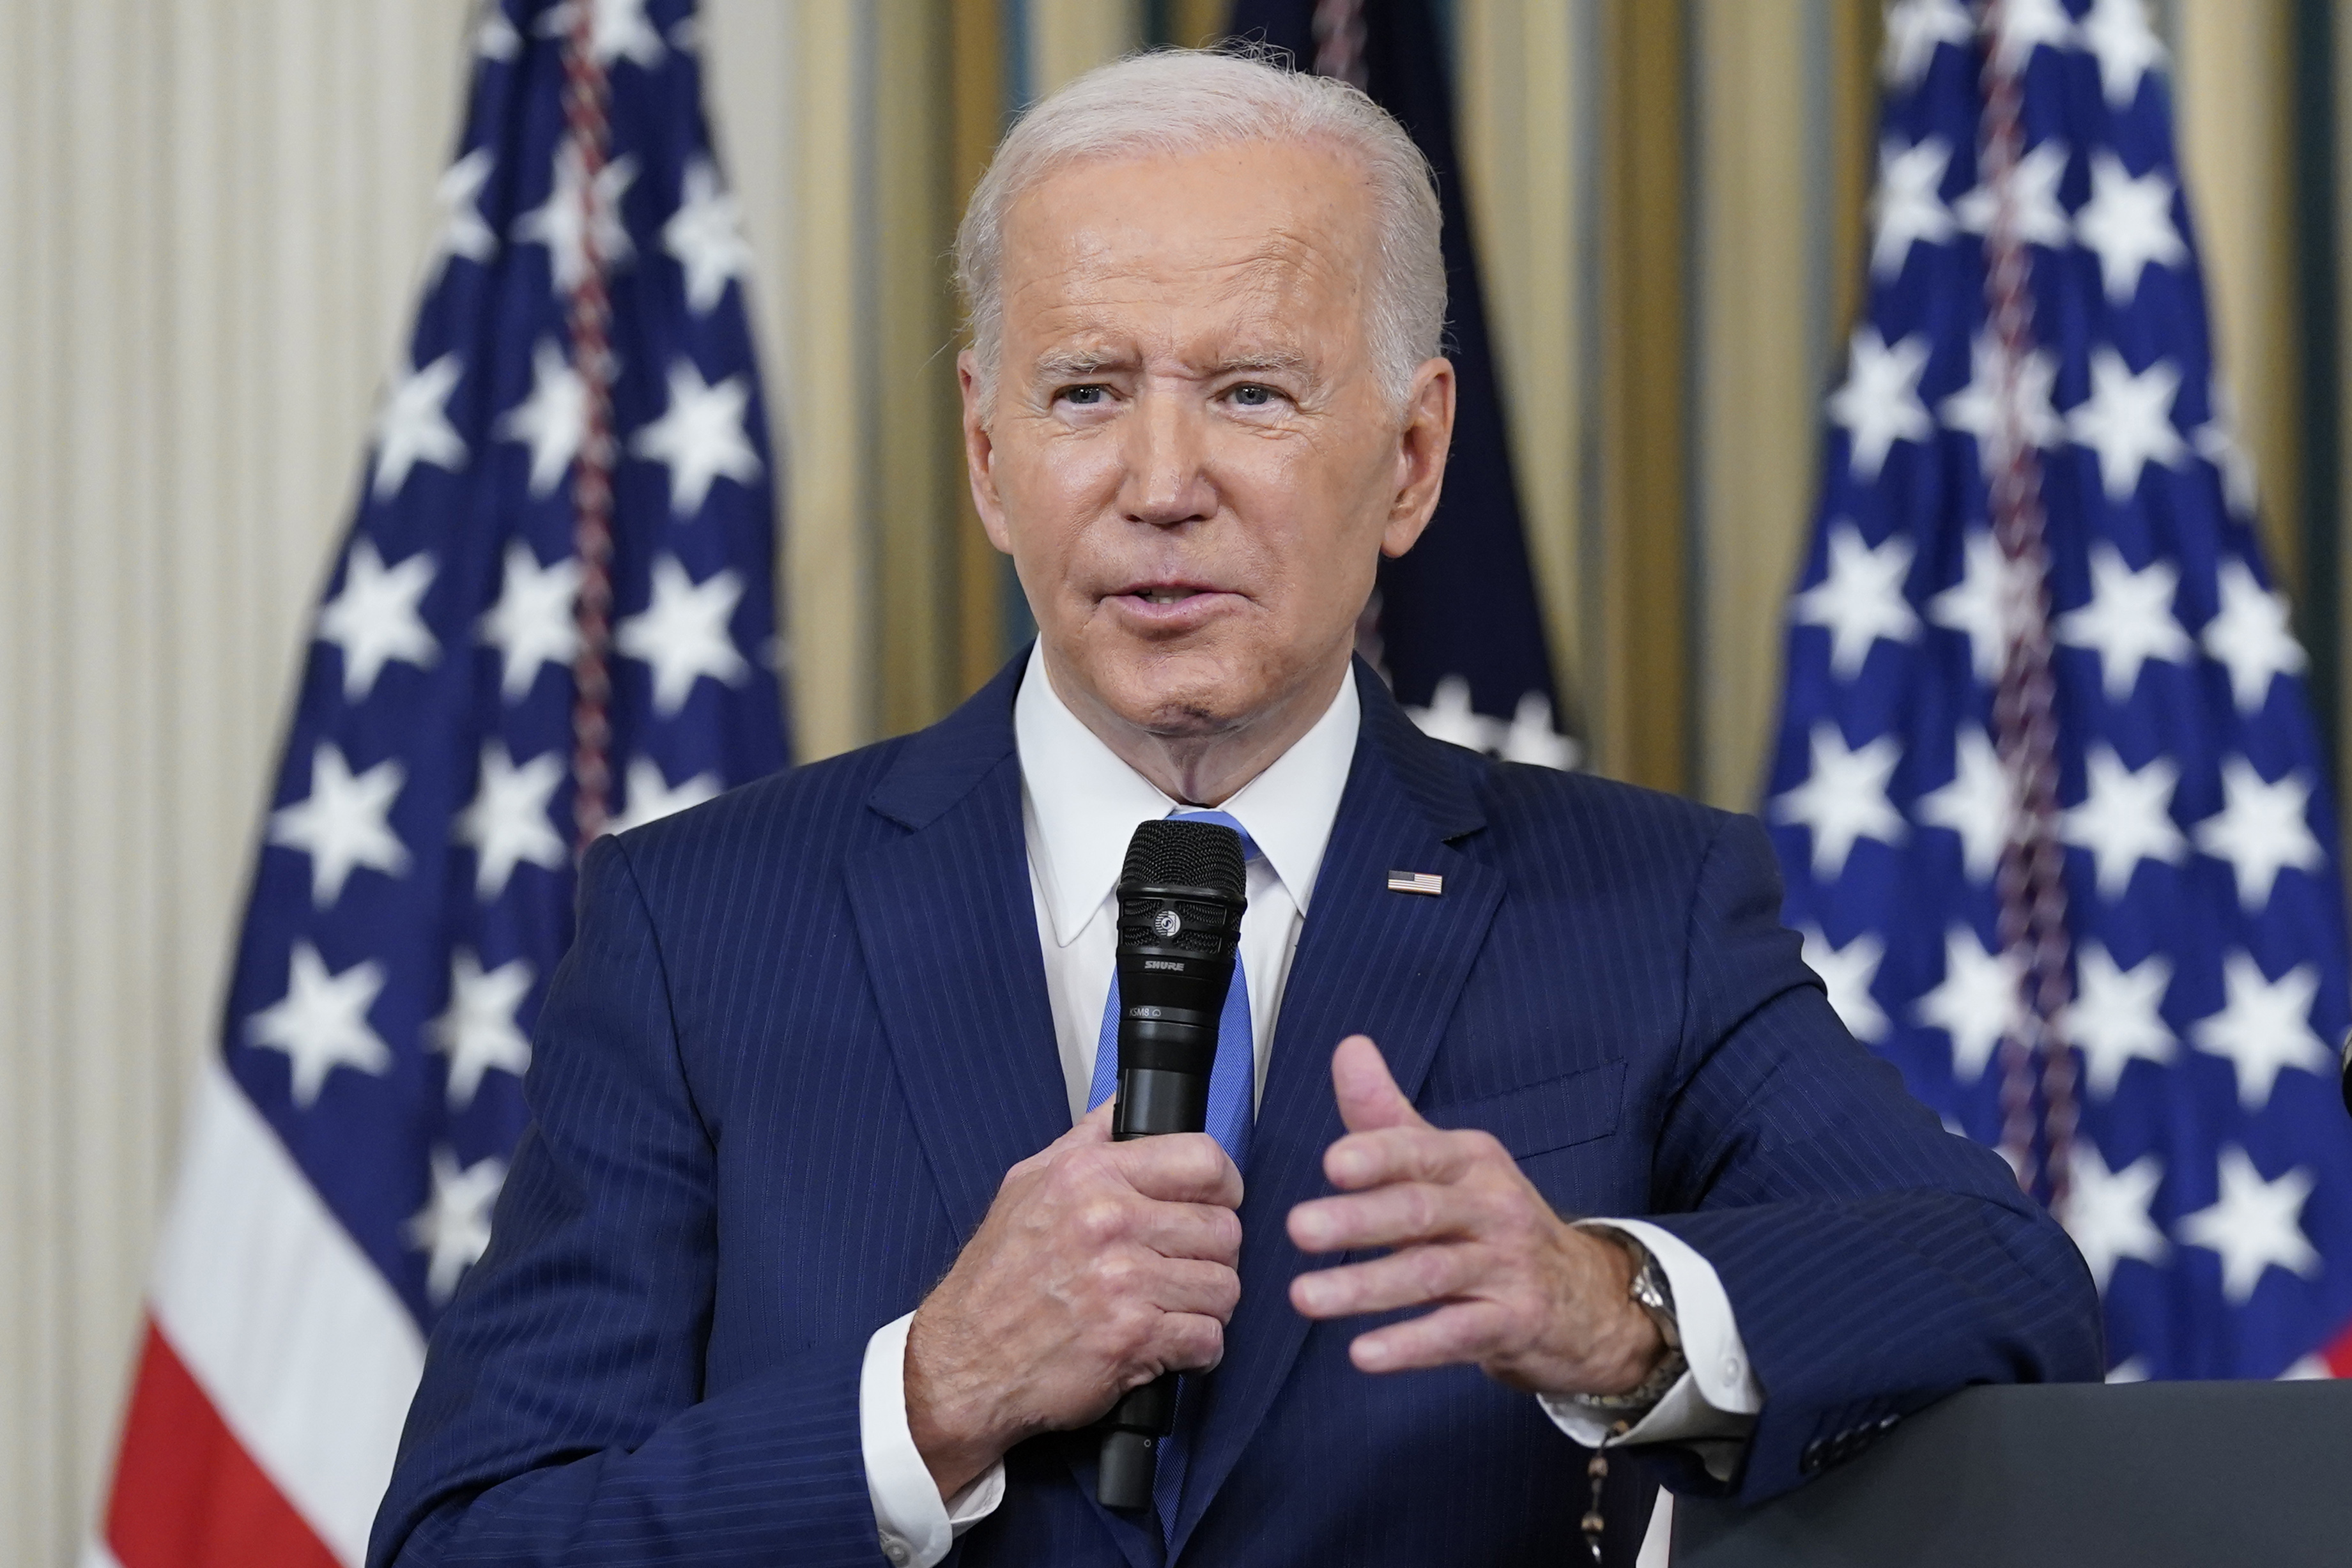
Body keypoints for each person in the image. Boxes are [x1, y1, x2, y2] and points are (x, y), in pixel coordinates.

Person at [370, 47, 2100, 1568]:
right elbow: (478, 1541)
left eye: (1252, 392)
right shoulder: (703, 924)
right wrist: (927, 1395)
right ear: (987, 453)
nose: (1160, 485)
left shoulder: (1638, 903)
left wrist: (1609, 1307)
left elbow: (2004, 1288)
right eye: (1085, 391)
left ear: (1409, 459)